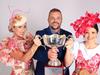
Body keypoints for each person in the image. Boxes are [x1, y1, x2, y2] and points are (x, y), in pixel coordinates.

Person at [33, 8, 72, 75]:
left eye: (58, 18)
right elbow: (35, 54)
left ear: (61, 20)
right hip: (43, 72)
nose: (55, 20)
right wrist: (47, 54)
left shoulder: (68, 35)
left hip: (62, 72)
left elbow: (70, 59)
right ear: (48, 19)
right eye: (52, 18)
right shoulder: (40, 33)